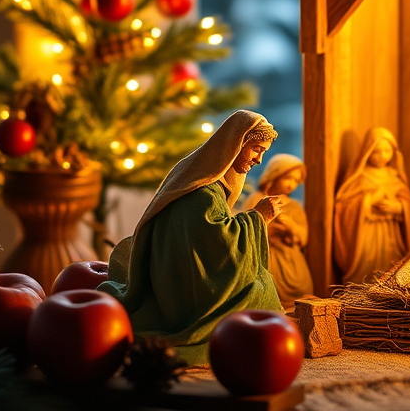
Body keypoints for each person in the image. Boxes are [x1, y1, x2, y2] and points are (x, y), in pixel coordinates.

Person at [98, 110, 285, 363]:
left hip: (181, 273)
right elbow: (219, 243)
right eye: (256, 149)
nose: (259, 160)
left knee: (260, 283)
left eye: (263, 152)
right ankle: (252, 340)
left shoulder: (198, 177)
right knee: (257, 288)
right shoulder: (202, 192)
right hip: (184, 289)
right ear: (237, 145)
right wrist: (257, 217)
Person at [333, 127, 410, 283]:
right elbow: (343, 205)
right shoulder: (358, 176)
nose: (382, 156)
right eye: (377, 151)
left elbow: (407, 202)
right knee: (366, 271)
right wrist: (368, 201)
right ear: (367, 151)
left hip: (390, 234)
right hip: (365, 234)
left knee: (390, 266)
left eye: (387, 151)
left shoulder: (394, 176)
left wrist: (399, 207)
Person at [241, 154, 314, 303]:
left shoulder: (294, 206)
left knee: (302, 292)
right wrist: (270, 229)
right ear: (274, 175)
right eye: (288, 178)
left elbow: (304, 237)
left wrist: (291, 227)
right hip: (268, 256)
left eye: (296, 181)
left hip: (292, 260)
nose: (291, 185)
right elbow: (246, 230)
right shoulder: (257, 199)